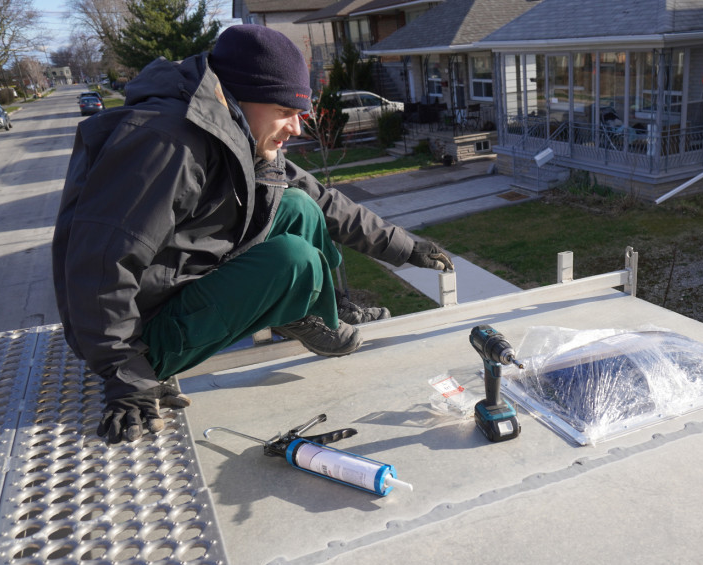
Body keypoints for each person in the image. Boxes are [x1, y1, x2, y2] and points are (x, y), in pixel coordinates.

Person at [52, 25, 454, 445]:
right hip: (140, 336)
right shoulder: (166, 145)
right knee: (293, 259)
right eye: (285, 111)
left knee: (298, 205)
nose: (297, 129)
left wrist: (406, 246)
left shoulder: (233, 130)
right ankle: (285, 304)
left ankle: (309, 310)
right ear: (236, 97)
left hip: (177, 284)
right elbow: (97, 267)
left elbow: (321, 199)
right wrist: (129, 380)